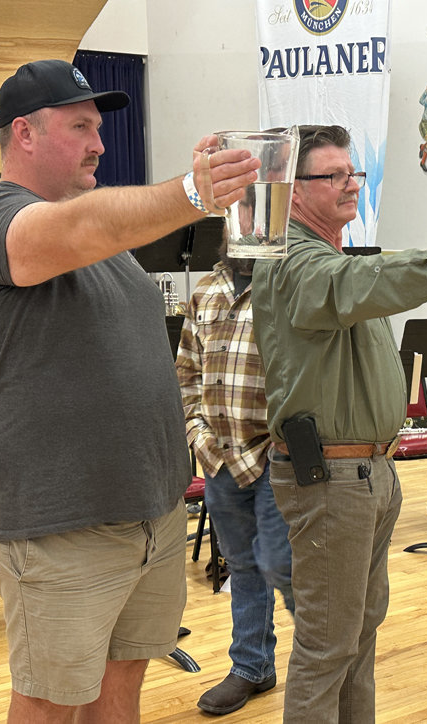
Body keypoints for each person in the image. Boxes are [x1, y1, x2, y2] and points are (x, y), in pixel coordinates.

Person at [0, 59, 258, 722]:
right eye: (80, 127)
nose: (100, 145)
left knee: (122, 685)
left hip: (151, 513)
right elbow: (81, 228)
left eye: (100, 129)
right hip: (61, 524)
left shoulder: (99, 228)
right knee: (48, 702)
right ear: (24, 133)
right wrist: (191, 192)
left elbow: (100, 225)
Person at [251, 124, 427, 723]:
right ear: (293, 190)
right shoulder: (292, 261)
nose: (351, 185)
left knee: (357, 638)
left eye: (354, 173)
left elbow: (363, 282)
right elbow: (359, 282)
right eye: (334, 175)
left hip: (367, 474)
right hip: (332, 481)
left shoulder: (333, 261)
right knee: (326, 647)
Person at [175, 236, 295, 716]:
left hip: (276, 453)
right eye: (237, 221)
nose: (246, 230)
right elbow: (186, 372)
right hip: (220, 457)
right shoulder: (206, 291)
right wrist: (198, 436)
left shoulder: (287, 285)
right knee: (243, 566)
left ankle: (324, 665)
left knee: (287, 567)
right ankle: (252, 666)